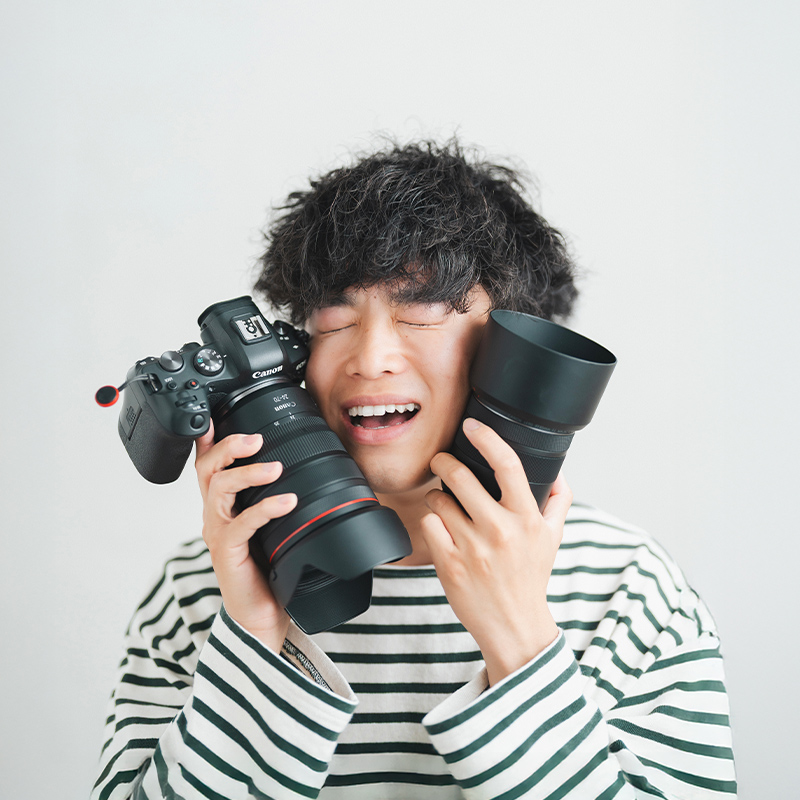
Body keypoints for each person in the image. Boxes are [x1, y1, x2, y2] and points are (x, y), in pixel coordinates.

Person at [93, 140, 737, 799]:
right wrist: (255, 639)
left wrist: (519, 640)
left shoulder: (628, 591)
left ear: (513, 350)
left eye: (423, 310)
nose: (371, 357)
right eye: (334, 314)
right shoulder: (200, 590)